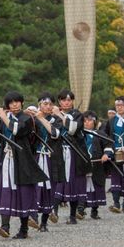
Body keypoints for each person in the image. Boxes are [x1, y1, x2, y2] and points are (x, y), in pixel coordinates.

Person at [0, 91, 48, 239]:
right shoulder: (5, 118)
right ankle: (5, 226)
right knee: (6, 190)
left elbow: (17, 130)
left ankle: (24, 229)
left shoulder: (27, 117)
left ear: (22, 103)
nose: (14, 104)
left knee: (24, 192)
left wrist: (3, 116)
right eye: (11, 102)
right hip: (7, 158)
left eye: (17, 101)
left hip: (23, 160)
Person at [52, 89, 89, 224]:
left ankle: (72, 215)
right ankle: (53, 211)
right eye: (63, 100)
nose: (66, 102)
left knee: (74, 182)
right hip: (58, 152)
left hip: (74, 153)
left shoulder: (77, 114)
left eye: (69, 100)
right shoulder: (54, 115)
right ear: (59, 101)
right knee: (57, 180)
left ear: (72, 101)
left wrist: (61, 116)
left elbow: (73, 129)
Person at [31, 93, 64, 232]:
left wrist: (41, 119)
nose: (48, 106)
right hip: (36, 157)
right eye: (45, 104)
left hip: (51, 159)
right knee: (33, 187)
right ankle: (33, 218)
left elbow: (55, 134)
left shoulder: (56, 120)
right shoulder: (32, 119)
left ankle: (44, 223)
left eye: (50, 104)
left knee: (48, 189)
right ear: (39, 105)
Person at [80, 111, 109, 219]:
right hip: (83, 165)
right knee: (81, 186)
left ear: (95, 121)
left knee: (97, 186)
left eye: (89, 120)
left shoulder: (100, 134)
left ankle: (94, 210)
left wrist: (106, 154)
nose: (87, 123)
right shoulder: (79, 134)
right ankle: (80, 209)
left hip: (97, 166)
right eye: (84, 120)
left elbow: (108, 145)